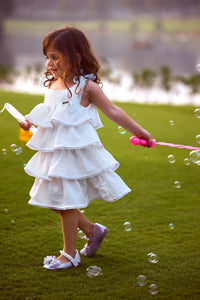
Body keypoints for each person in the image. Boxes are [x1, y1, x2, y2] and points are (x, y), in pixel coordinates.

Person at [19, 26, 152, 270]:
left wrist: (139, 131)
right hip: (55, 151)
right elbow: (52, 115)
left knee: (64, 202)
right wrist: (30, 121)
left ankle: (70, 254)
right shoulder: (54, 85)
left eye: (55, 56)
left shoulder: (86, 87)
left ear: (76, 56)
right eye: (48, 56)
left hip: (74, 153)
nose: (49, 62)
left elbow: (112, 110)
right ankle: (92, 230)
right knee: (52, 199)